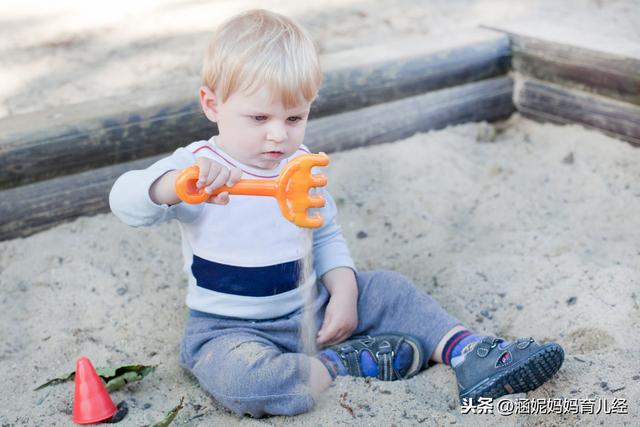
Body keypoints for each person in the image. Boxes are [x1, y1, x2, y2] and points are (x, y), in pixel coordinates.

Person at [109, 9, 564, 418]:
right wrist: (170, 188)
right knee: (243, 380)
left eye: (294, 118)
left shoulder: (299, 168)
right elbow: (124, 201)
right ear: (212, 105)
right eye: (259, 118)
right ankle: (340, 363)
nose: (277, 137)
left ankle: (471, 353)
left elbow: (323, 235)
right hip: (228, 329)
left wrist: (343, 290)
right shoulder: (194, 169)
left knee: (387, 288)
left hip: (312, 307)